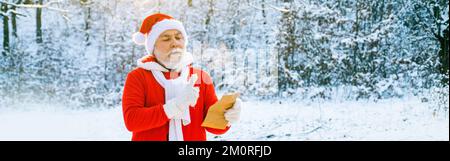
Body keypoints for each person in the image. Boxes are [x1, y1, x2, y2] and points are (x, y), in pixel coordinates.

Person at [122, 13, 242, 141]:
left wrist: (227, 116)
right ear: (153, 46)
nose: (175, 43)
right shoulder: (138, 77)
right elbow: (132, 121)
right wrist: (175, 106)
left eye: (179, 38)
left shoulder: (200, 77)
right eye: (166, 39)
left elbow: (214, 127)